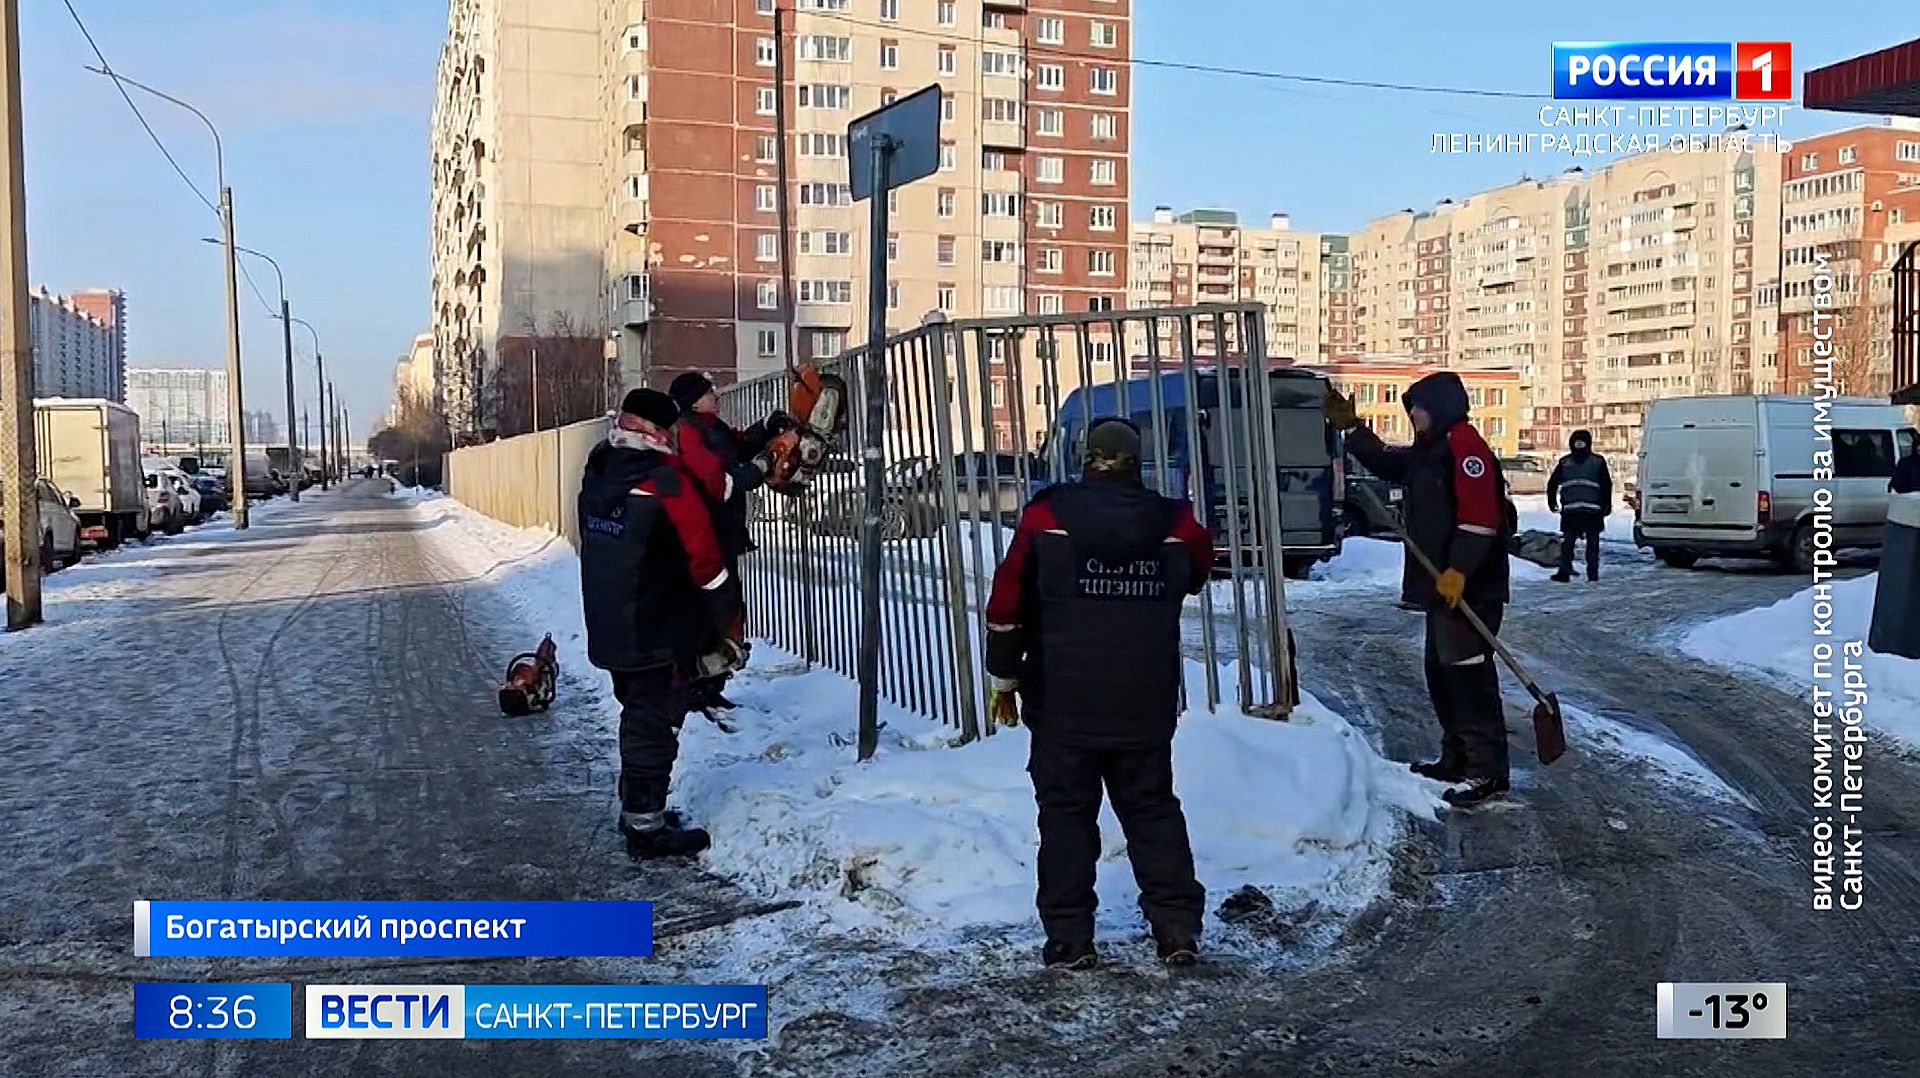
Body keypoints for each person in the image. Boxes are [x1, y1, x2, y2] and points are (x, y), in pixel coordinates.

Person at [984, 417, 1215, 969]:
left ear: (1085, 458)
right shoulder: (1176, 523)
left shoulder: (1047, 515)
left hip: (1062, 699)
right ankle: (1176, 930)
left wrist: (1004, 679)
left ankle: (1070, 940)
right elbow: (1199, 572)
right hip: (1144, 699)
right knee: (1153, 811)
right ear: (1138, 463)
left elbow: (1005, 602)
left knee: (1065, 817)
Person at [1326, 372, 1513, 807]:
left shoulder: (1466, 448)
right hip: (1444, 588)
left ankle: (1486, 771)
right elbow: (1391, 464)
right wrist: (1352, 430)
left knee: (1468, 677)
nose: (1413, 416)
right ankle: (1457, 758)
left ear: (1442, 405)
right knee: (1443, 673)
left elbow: (1481, 518)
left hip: (1470, 589)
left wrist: (1459, 570)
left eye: (1419, 407)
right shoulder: (1432, 451)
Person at [578, 388, 741, 859]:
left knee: (636, 713)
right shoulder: (664, 483)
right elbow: (706, 563)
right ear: (661, 431)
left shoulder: (600, 472)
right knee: (652, 723)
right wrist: (723, 620)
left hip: (610, 621)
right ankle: (646, 829)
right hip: (657, 626)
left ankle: (635, 809)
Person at [667, 371, 791, 716]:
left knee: (726, 611)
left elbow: (736, 445)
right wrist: (760, 467)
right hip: (706, 537)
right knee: (713, 613)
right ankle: (699, 683)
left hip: (721, 534)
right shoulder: (688, 432)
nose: (717, 394)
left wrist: (767, 426)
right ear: (694, 399)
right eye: (710, 391)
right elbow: (718, 482)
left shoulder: (709, 426)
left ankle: (710, 683)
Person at [1546, 429, 1612, 583]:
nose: (1579, 445)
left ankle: (1567, 572)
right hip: (1589, 511)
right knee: (1584, 545)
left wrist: (1552, 501)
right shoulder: (1597, 461)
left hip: (1575, 511)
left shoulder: (1566, 462)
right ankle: (1590, 575)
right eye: (1577, 442)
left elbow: (1553, 483)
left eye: (1581, 442)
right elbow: (1606, 485)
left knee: (1570, 544)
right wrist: (1606, 505)